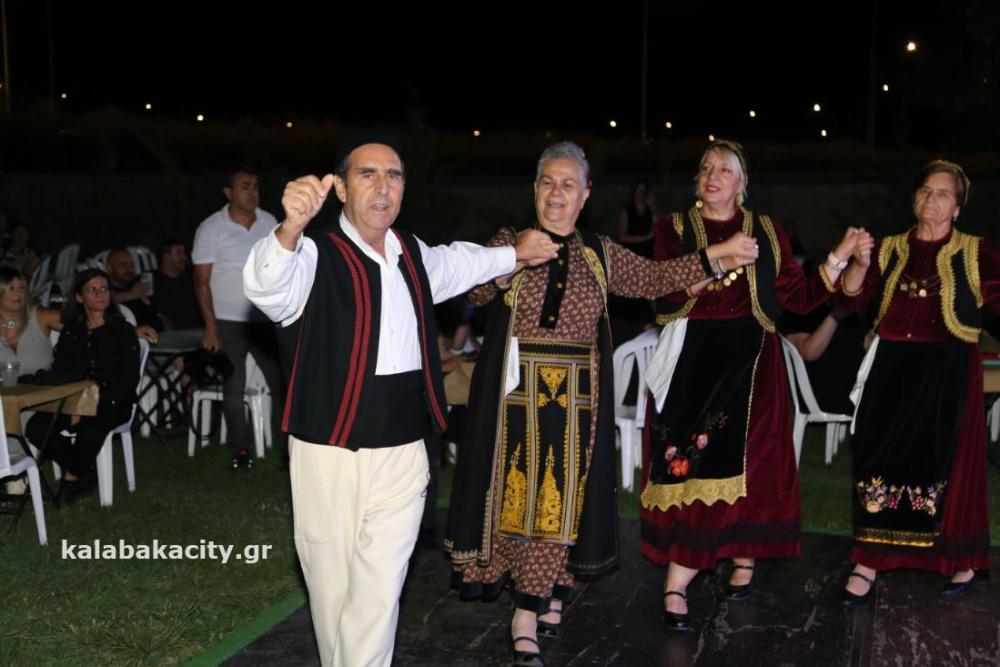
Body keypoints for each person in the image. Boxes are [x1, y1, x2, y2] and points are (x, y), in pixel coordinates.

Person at [243, 131, 560, 667]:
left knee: (380, 590)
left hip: (406, 448)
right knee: (333, 588)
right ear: (341, 188)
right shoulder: (312, 254)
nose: (382, 187)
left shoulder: (413, 253)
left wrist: (515, 253)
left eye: (393, 176)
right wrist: (289, 228)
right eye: (367, 174)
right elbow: (265, 287)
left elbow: (461, 263)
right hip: (329, 450)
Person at [444, 141, 759, 666]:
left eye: (569, 184)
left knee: (561, 503)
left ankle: (534, 605)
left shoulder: (599, 252)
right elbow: (474, 293)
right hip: (514, 400)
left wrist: (717, 256)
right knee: (517, 501)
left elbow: (655, 278)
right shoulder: (509, 241)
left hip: (577, 401)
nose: (557, 193)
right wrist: (511, 261)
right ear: (535, 188)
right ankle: (533, 601)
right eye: (548, 182)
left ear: (585, 194)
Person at [639, 140, 870, 631]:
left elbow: (798, 298)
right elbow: (663, 290)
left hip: (754, 367)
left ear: (743, 183)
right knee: (694, 467)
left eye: (725, 169)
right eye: (706, 167)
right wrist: (719, 260)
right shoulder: (674, 228)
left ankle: (743, 552)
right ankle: (680, 574)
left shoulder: (767, 230)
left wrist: (837, 257)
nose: (713, 175)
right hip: (693, 363)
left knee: (754, 467)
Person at [839, 160, 996, 606]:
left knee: (952, 465)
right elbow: (851, 296)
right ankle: (868, 561)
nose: (932, 198)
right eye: (926, 190)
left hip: (949, 370)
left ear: (958, 208)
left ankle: (960, 559)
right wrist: (859, 263)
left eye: (943, 193)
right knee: (877, 461)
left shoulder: (976, 251)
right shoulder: (888, 248)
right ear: (914, 199)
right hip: (890, 367)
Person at [193, 166, 285, 470]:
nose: (252, 192)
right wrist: (211, 325)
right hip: (227, 321)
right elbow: (201, 282)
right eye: (245, 186)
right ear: (228, 193)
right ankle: (241, 450)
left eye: (255, 186)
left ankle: (289, 450)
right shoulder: (211, 228)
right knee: (234, 387)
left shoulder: (269, 222)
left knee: (282, 383)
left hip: (264, 321)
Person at [25, 269, 141, 504]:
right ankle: (83, 469)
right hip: (72, 398)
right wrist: (76, 403)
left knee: (90, 429)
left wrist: (89, 402)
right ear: (79, 297)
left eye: (104, 288)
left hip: (113, 400)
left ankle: (72, 476)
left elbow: (128, 380)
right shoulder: (72, 332)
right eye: (92, 290)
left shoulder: (123, 331)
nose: (100, 294)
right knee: (37, 427)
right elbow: (63, 373)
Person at [0, 267, 62, 375]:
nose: (19, 293)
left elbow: (83, 325)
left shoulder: (40, 316)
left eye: (22, 287)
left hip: (40, 385)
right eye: (11, 288)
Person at [106, 247, 163, 332]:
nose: (129, 269)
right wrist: (131, 294)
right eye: (123, 265)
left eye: (132, 265)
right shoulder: (105, 289)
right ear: (110, 268)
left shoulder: (137, 284)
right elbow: (103, 299)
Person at [152, 239, 202, 330]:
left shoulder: (192, 276)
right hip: (169, 333)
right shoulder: (151, 280)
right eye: (179, 254)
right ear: (166, 257)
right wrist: (158, 315)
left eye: (184, 253)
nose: (185, 257)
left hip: (198, 329)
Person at [616, 178, 657, 258]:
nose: (641, 194)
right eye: (639, 191)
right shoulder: (626, 211)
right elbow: (622, 237)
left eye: (644, 191)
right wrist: (646, 237)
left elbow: (657, 231)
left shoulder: (651, 210)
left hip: (648, 253)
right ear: (633, 192)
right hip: (631, 253)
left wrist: (652, 206)